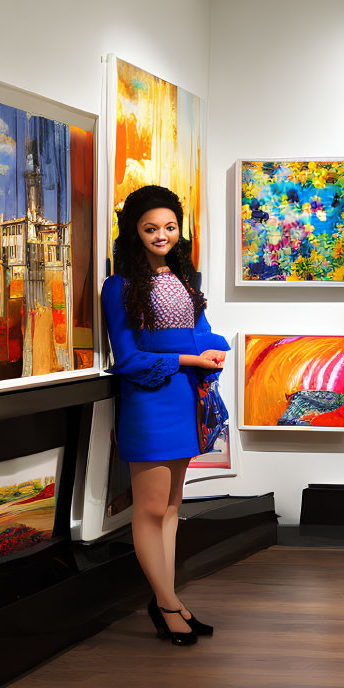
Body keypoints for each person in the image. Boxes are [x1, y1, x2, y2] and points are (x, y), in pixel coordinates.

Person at [101, 186, 229, 646]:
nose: (162, 235)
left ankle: (167, 599)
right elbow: (129, 359)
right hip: (150, 400)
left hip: (185, 399)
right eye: (151, 228)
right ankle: (168, 604)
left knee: (173, 507)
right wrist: (192, 358)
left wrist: (208, 350)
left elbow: (203, 334)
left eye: (170, 227)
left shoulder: (183, 280)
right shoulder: (119, 286)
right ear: (134, 232)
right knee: (152, 508)